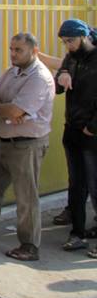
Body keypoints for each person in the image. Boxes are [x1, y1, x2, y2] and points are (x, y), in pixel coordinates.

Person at [0, 33, 54, 262]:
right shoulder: (13, 70)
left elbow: (12, 110)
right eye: (12, 49)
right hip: (5, 142)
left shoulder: (39, 78)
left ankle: (29, 246)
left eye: (19, 50)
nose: (13, 54)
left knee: (26, 196)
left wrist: (2, 108)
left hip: (27, 145)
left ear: (34, 51)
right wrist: (5, 107)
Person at [53, 19, 97, 259]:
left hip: (91, 134)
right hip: (72, 129)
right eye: (64, 41)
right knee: (77, 185)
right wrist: (62, 75)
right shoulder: (71, 59)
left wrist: (93, 127)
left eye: (71, 40)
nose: (68, 45)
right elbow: (60, 83)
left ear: (84, 37)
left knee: (95, 184)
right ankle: (77, 234)